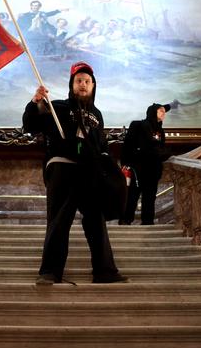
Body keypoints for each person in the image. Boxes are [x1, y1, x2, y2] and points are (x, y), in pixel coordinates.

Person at [22, 61, 128, 285]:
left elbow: (102, 146)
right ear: (72, 85)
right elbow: (31, 125)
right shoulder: (57, 107)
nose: (83, 84)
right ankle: (50, 272)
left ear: (93, 86)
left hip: (90, 172)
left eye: (88, 82)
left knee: (96, 221)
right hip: (63, 167)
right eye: (79, 81)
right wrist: (36, 102)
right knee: (59, 220)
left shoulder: (97, 115)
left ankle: (105, 271)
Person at [119, 100, 178, 225]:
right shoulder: (137, 125)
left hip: (153, 170)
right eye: (160, 111)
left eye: (164, 111)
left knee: (150, 198)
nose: (163, 113)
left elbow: (160, 149)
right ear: (153, 112)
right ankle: (125, 222)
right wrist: (125, 164)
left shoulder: (160, 131)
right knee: (131, 197)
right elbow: (127, 146)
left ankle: (147, 223)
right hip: (136, 169)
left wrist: (163, 153)